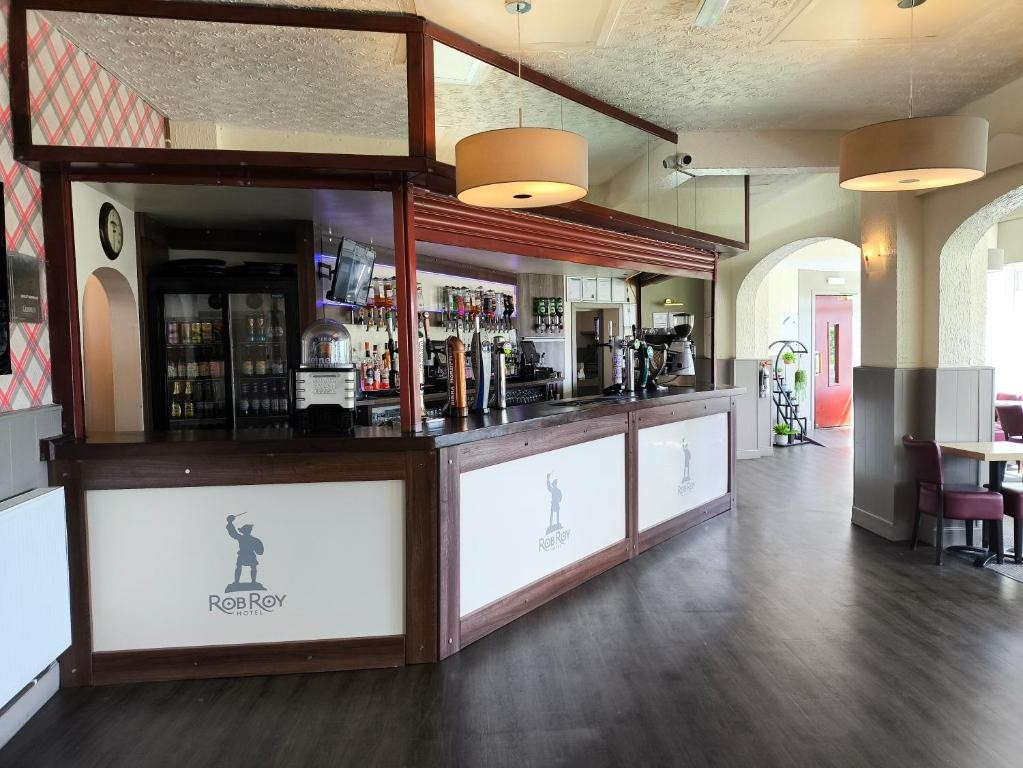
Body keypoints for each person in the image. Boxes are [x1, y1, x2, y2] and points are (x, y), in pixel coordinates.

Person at [226, 514, 264, 586]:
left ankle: (251, 582)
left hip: (248, 555)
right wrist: (230, 523)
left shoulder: (249, 539)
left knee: (251, 567)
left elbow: (233, 533)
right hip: (244, 554)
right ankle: (238, 582)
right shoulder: (251, 539)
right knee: (241, 567)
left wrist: (230, 523)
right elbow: (233, 533)